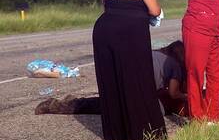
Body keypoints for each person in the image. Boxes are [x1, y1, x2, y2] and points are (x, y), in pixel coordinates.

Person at [92, 0, 166, 140]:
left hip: (104, 29)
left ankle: (117, 131)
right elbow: (154, 9)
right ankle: (142, 131)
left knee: (112, 79)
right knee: (137, 79)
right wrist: (158, 15)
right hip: (129, 32)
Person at [35, 41, 188, 116]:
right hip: (133, 94)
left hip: (117, 81)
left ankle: (71, 103)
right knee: (156, 110)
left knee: (108, 104)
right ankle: (62, 105)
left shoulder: (154, 54)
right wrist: (188, 96)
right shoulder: (174, 65)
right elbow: (174, 94)